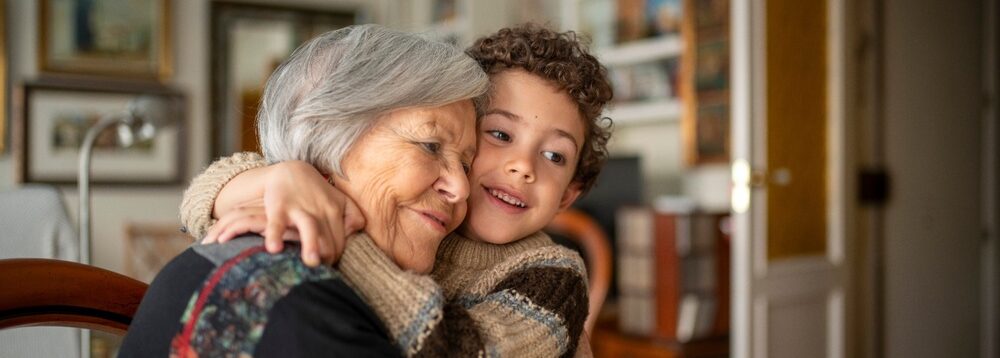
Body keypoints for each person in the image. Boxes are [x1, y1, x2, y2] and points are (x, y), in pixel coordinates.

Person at [180, 24, 614, 357]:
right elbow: (199, 200)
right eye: (499, 135)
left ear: (568, 196)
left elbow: (456, 349)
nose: (522, 167)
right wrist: (280, 180)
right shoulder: (419, 220)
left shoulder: (554, 276)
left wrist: (341, 230)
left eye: (555, 156)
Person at [118, 24, 489, 357]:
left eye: (467, 165)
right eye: (430, 146)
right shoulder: (294, 301)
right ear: (328, 139)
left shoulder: (284, 265)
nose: (459, 187)